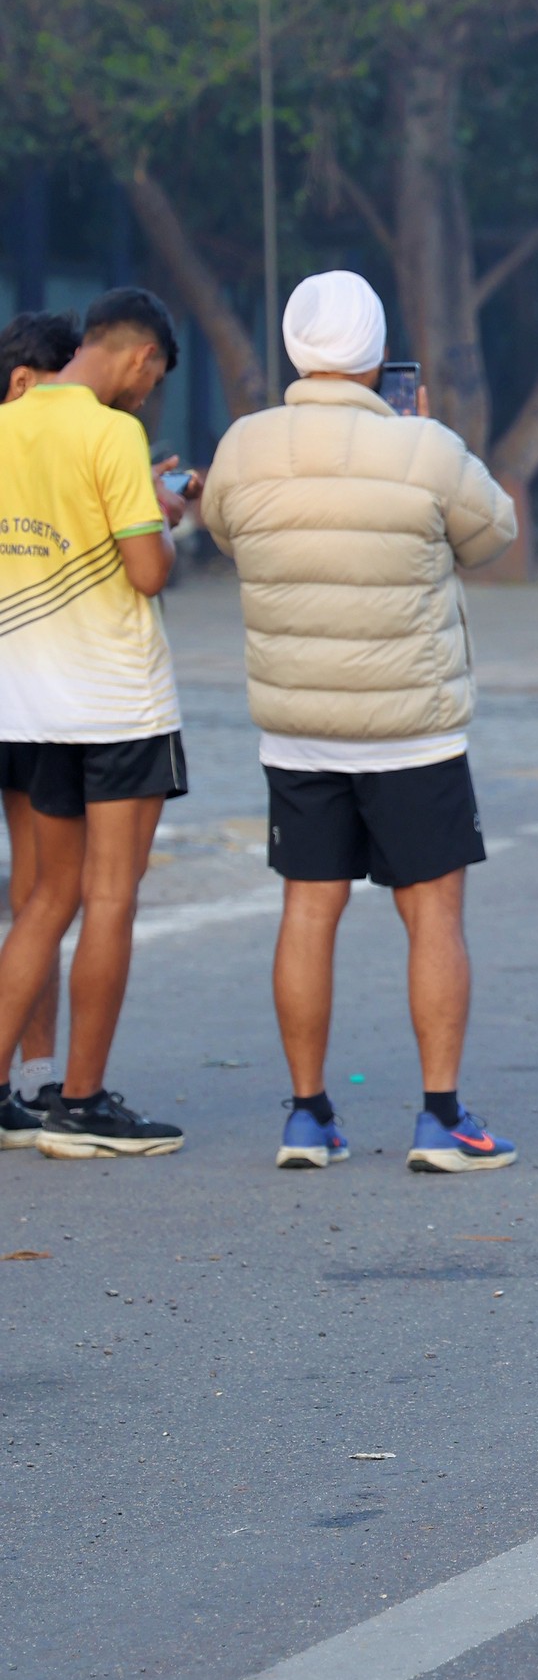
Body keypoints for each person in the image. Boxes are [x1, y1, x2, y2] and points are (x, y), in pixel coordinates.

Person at [200, 270, 520, 1176]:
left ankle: (308, 1117)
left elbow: (225, 532)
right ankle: (441, 1118)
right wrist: (426, 434)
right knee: (434, 915)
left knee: (308, 910)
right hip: (413, 727)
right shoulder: (424, 447)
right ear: (379, 355)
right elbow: (494, 533)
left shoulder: (245, 446)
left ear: (294, 349)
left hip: (297, 727)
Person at [0, 287, 191, 1157]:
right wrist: (166, 518)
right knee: (111, 896)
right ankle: (80, 1105)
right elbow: (146, 571)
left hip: (29, 704)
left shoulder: (8, 424)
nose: (147, 395)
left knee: (46, 898)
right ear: (141, 356)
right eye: (153, 379)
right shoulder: (113, 435)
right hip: (114, 701)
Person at [0, 309, 82, 1135]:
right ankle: (31, 1078)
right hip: (30, 697)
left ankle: (33, 1075)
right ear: (23, 381)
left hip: (25, 696)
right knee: (47, 890)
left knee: (37, 890)